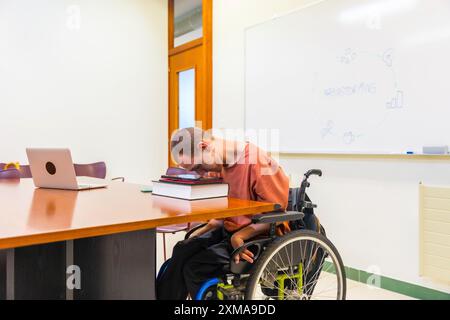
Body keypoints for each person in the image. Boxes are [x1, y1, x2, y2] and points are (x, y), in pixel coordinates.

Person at [156, 127, 290, 300]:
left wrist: (239, 236)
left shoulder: (259, 162)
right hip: (229, 232)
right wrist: (197, 234)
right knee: (182, 249)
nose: (200, 174)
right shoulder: (218, 166)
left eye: (198, 167)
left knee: (194, 267)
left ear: (204, 146)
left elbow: (277, 215)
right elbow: (220, 218)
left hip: (259, 236)